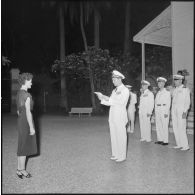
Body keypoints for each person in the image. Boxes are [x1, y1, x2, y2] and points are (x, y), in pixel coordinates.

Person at [95, 70, 129, 162]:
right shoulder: (114, 90)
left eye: (114, 79)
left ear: (119, 79)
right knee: (114, 135)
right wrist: (102, 98)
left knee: (121, 136)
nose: (112, 81)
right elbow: (111, 102)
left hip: (120, 116)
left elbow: (120, 102)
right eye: (112, 79)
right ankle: (115, 154)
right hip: (113, 115)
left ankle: (122, 156)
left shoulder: (125, 90)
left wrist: (107, 98)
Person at [16, 73, 37, 179]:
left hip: (20, 121)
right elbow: (28, 113)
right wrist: (32, 127)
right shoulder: (27, 95)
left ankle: (19, 169)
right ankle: (22, 170)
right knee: (24, 147)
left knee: (21, 145)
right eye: (30, 81)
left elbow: (18, 111)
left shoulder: (19, 93)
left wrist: (21, 118)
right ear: (25, 81)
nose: (31, 83)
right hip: (26, 122)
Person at [171, 74, 191, 151]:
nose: (175, 82)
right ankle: (179, 144)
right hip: (174, 110)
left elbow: (187, 102)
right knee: (175, 128)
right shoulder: (175, 89)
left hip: (181, 111)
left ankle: (185, 146)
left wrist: (185, 111)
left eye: (176, 80)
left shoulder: (185, 89)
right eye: (174, 80)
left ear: (180, 80)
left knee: (182, 128)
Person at [154, 77, 171, 145]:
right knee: (158, 125)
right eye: (158, 82)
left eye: (161, 82)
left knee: (164, 125)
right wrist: (155, 112)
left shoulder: (167, 92)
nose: (159, 84)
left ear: (164, 83)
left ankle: (165, 141)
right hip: (158, 109)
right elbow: (156, 103)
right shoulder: (158, 93)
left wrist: (166, 112)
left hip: (164, 109)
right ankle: (160, 139)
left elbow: (168, 103)